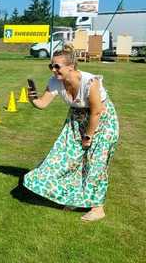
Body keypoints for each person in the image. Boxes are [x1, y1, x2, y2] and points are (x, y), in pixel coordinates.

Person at [23, 44, 119, 222]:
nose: (53, 70)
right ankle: (75, 197)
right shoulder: (55, 82)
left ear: (71, 67)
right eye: (51, 66)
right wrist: (33, 99)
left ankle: (98, 208)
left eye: (57, 66)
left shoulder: (90, 82)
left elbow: (97, 111)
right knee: (65, 159)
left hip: (102, 121)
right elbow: (42, 104)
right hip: (76, 121)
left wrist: (88, 137)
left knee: (95, 162)